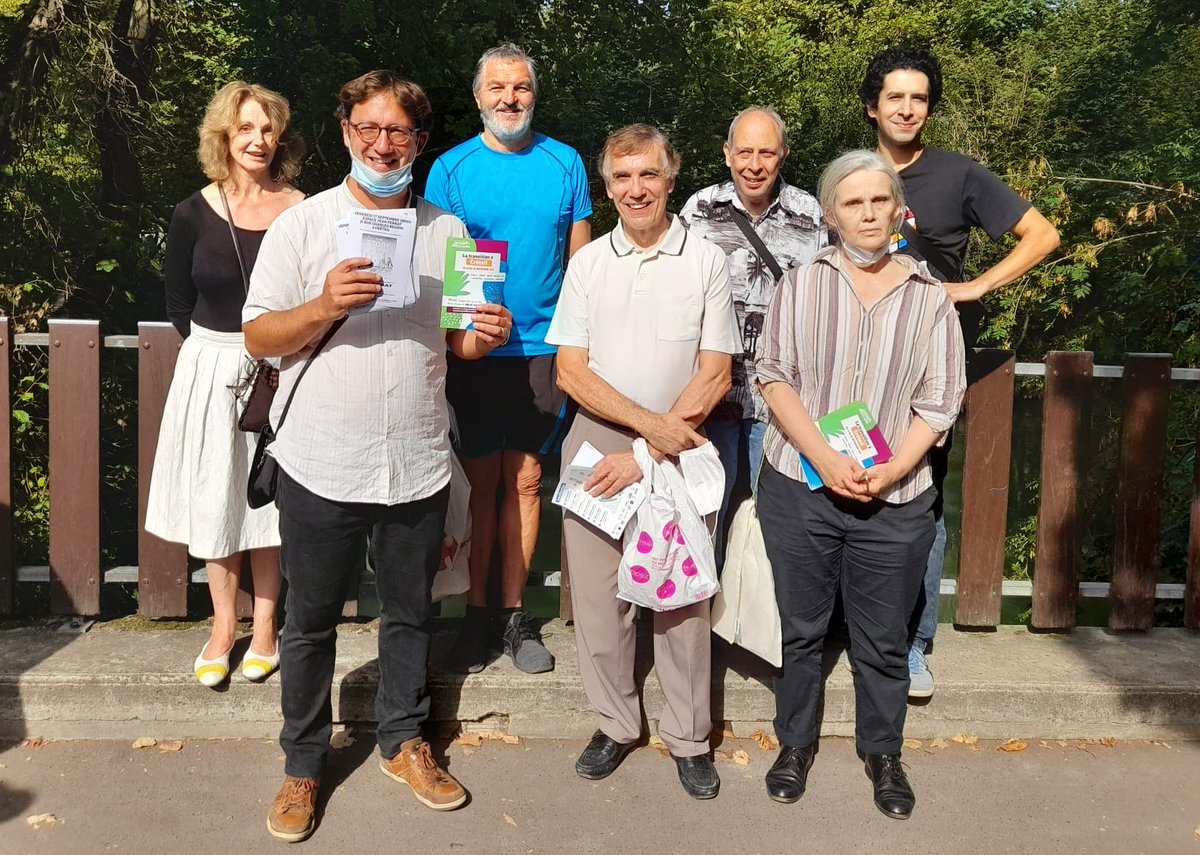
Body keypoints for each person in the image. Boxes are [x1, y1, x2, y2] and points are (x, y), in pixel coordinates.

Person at [242, 70, 514, 842]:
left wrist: (479, 337)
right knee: (309, 621)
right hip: (321, 456)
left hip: (417, 457)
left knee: (412, 615)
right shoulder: (303, 225)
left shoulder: (452, 233)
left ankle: (403, 740)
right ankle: (302, 762)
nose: (382, 143)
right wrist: (325, 303)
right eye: (368, 128)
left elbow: (461, 339)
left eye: (398, 131)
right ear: (345, 133)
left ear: (421, 143)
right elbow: (259, 334)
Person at [755, 150, 965, 818]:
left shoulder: (930, 298)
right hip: (803, 484)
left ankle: (883, 752)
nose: (868, 214)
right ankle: (795, 744)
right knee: (802, 629)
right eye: (853, 202)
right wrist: (825, 454)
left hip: (895, 496)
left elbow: (940, 399)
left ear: (899, 209)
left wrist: (893, 468)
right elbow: (774, 374)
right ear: (830, 214)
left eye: (880, 201)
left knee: (881, 638)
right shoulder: (800, 283)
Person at [860, 45, 1060, 698]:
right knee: (854, 487)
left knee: (919, 501)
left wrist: (973, 288)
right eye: (896, 96)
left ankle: (916, 646)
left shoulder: (960, 175)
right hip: (858, 369)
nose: (908, 107)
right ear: (873, 106)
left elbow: (1042, 235)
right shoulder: (849, 174)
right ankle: (860, 631)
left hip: (928, 369)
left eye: (919, 97)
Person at [546, 124, 739, 799]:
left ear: (670, 177)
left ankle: (689, 737)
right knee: (599, 602)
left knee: (681, 597)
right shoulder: (590, 263)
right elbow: (571, 371)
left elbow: (715, 372)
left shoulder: (706, 260)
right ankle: (616, 725)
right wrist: (637, 437)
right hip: (598, 449)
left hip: (679, 447)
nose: (636, 188)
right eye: (622, 177)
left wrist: (648, 448)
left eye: (648, 174)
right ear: (607, 187)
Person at [425, 44, 593, 675]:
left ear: (533, 93)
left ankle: (515, 617)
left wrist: (578, 339)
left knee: (526, 483)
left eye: (520, 88)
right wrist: (465, 330)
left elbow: (580, 265)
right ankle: (474, 618)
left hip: (545, 351)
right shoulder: (451, 169)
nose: (509, 100)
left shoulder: (565, 162)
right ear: (478, 96)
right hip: (476, 348)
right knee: (482, 487)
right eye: (497, 88)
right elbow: (444, 266)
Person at [145, 81, 305, 688]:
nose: (257, 140)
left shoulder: (301, 208)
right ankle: (222, 628)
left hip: (281, 370)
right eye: (245, 129)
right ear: (223, 136)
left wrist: (270, 353)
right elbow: (179, 305)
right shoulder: (191, 212)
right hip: (212, 369)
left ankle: (265, 630)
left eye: (267, 129)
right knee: (219, 500)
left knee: (266, 502)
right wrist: (225, 358)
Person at [679, 106, 826, 557]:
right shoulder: (699, 210)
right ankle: (701, 621)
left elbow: (826, 299)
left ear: (783, 155)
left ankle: (773, 626)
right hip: (711, 395)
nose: (754, 165)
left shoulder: (810, 213)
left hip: (780, 399)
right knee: (707, 513)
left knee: (778, 520)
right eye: (744, 152)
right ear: (727, 154)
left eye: (766, 153)